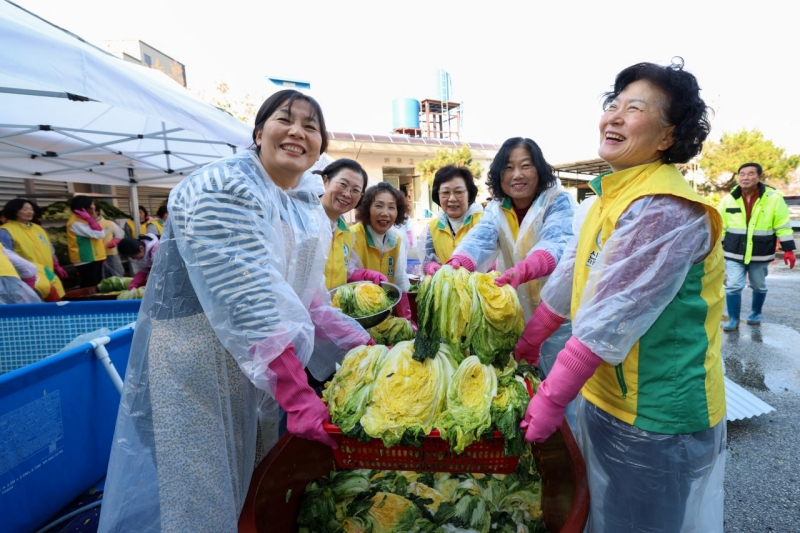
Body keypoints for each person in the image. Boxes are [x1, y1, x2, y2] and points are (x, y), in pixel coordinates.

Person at [98, 89, 371, 533]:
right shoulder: (224, 186)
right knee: (203, 499)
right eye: (285, 120)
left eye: (311, 126)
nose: (297, 132)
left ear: (321, 145)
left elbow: (306, 295)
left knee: (250, 485)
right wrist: (297, 393)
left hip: (258, 366)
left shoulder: (300, 202)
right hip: (198, 361)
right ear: (259, 132)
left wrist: (361, 343)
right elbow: (248, 301)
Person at [517, 60, 726, 532]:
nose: (613, 116)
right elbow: (572, 275)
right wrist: (534, 336)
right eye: (613, 104)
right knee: (609, 516)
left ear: (668, 136)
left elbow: (612, 317)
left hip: (655, 413)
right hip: (609, 394)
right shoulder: (609, 197)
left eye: (634, 108)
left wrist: (552, 396)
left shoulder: (665, 209)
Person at [446, 137, 576, 320]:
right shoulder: (496, 208)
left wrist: (524, 270)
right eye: (508, 168)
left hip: (558, 314)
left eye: (525, 166)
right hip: (516, 308)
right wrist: (459, 262)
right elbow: (480, 240)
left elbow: (557, 244)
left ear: (539, 169)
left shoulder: (558, 201)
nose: (517, 175)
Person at [719, 162, 796, 330]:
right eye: (742, 174)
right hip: (734, 252)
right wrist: (717, 247)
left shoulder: (774, 199)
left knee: (758, 285)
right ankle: (733, 319)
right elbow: (721, 226)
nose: (745, 177)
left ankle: (755, 313)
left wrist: (788, 249)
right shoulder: (728, 200)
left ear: (759, 177)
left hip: (760, 252)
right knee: (733, 285)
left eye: (750, 174)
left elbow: (782, 226)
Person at [315, 158, 386, 290]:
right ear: (325, 181)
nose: (347, 194)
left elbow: (346, 271)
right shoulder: (303, 221)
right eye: (343, 184)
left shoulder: (346, 233)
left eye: (355, 190)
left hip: (333, 303)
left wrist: (364, 275)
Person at [350, 182, 414, 321]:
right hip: (357, 315)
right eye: (378, 206)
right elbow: (346, 276)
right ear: (367, 209)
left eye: (391, 207)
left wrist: (407, 319)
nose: (385, 213)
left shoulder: (395, 239)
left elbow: (399, 280)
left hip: (383, 313)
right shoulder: (352, 236)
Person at [419, 165, 483, 275]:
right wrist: (429, 266)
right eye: (445, 192)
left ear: (469, 194)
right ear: (437, 194)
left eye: (458, 192)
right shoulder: (433, 227)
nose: (452, 198)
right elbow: (428, 259)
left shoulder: (482, 222)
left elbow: (491, 258)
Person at [0, 198, 68, 301]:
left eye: (31, 209)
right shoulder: (5, 231)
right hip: (28, 278)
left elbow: (49, 248)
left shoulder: (38, 228)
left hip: (47, 273)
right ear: (15, 211)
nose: (30, 212)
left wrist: (56, 265)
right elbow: (6, 257)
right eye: (25, 209)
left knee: (54, 304)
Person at [65, 196, 107, 288]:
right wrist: (89, 219)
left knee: (97, 286)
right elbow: (100, 234)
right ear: (85, 207)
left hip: (93, 258)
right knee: (90, 287)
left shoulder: (83, 219)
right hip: (86, 260)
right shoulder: (76, 223)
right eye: (92, 204)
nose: (94, 206)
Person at [95, 209, 125, 278]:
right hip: (96, 255)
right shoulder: (86, 225)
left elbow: (120, 233)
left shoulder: (109, 223)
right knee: (101, 276)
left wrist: (116, 240)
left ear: (97, 212)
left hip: (110, 252)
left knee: (118, 274)